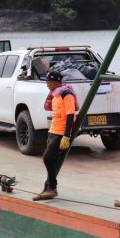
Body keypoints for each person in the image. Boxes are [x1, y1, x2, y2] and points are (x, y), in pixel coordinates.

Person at [34, 71, 77, 201]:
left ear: (55, 82)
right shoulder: (55, 94)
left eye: (48, 82)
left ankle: (52, 187)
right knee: (51, 161)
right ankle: (47, 188)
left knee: (47, 158)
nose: (46, 85)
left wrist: (66, 136)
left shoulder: (66, 94)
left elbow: (70, 115)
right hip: (53, 131)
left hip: (60, 134)